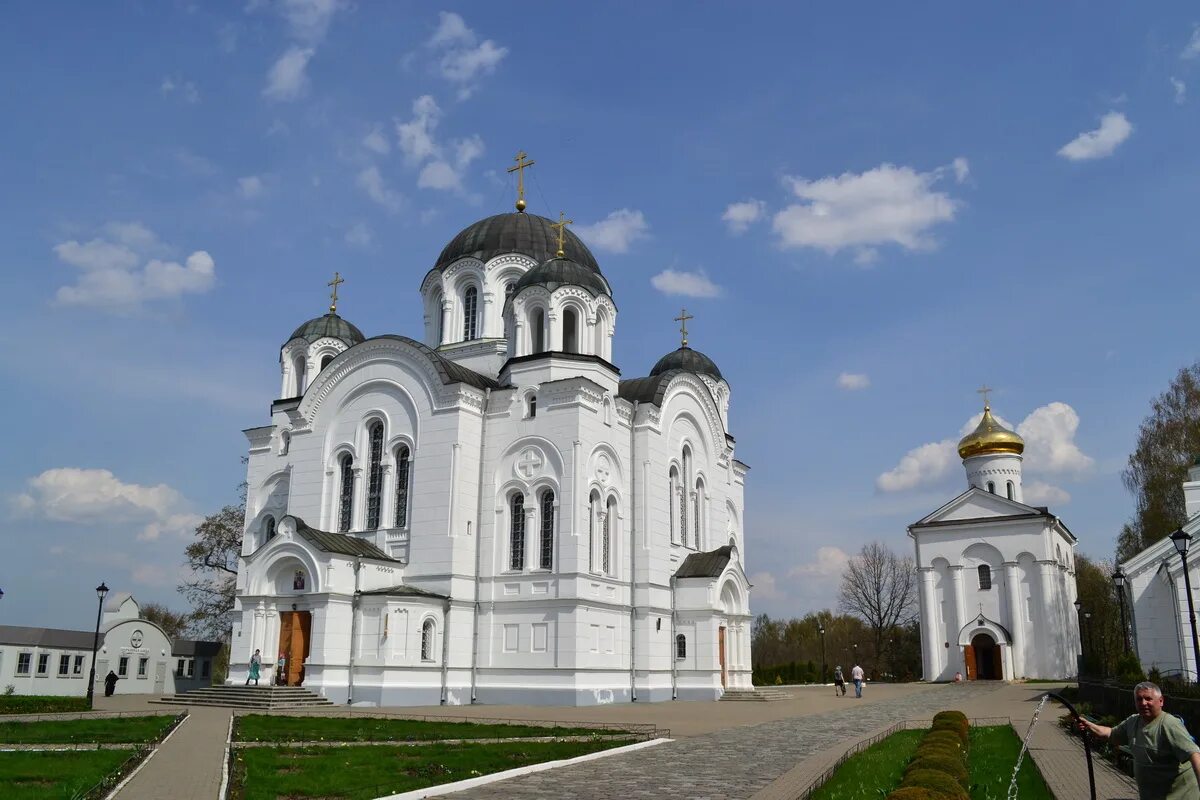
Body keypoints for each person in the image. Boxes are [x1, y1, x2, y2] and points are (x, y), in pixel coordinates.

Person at [1077, 681, 1200, 799]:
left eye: (1148, 699)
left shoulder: (1169, 724)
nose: (1143, 703)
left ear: (1161, 701)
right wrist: (1089, 725)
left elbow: (1194, 755)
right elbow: (1111, 733)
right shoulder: (1133, 722)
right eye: (1139, 699)